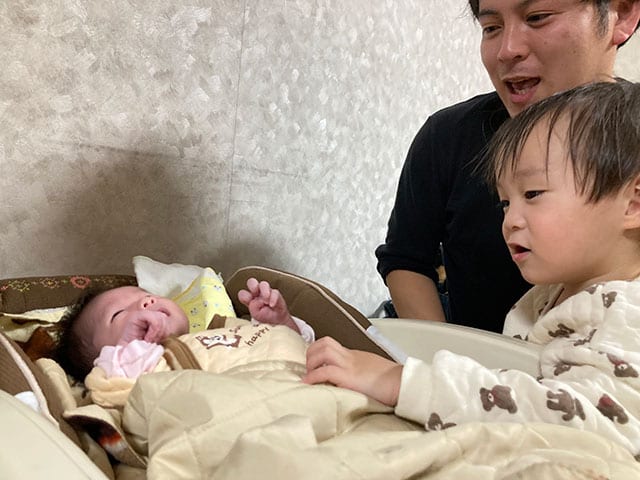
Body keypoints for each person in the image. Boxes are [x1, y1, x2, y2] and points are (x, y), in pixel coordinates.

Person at [306, 81, 640, 457]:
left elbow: (595, 424)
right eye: (505, 203)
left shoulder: (629, 313)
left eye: (532, 194)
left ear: (633, 203)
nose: (510, 220)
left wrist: (406, 383)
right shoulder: (549, 295)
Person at [375, 0, 640, 332]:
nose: (507, 50)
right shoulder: (448, 135)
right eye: (491, 28)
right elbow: (405, 258)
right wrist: (439, 353)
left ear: (622, 13)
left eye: (537, 17)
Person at [58, 277, 313, 382]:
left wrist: (279, 323)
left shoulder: (226, 327)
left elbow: (297, 348)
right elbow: (113, 387)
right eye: (118, 314)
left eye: (145, 294)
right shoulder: (140, 376)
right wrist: (131, 355)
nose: (146, 302)